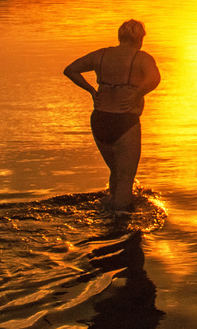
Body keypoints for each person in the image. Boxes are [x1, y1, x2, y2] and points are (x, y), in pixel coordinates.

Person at [63, 19, 161, 211]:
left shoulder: (102, 54)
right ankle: (119, 227)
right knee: (125, 180)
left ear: (120, 36)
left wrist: (92, 90)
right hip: (125, 121)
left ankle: (110, 209)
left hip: (100, 119)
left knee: (116, 172)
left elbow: (70, 70)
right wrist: (136, 93)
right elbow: (155, 78)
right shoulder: (142, 58)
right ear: (140, 38)